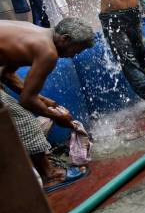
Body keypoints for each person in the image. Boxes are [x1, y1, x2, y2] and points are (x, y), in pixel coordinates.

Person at [0, 18, 94, 189]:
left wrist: (43, 101)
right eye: (76, 50)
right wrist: (58, 118)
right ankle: (49, 175)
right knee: (25, 120)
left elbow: (7, 75)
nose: (74, 55)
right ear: (65, 39)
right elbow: (27, 101)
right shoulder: (48, 51)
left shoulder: (36, 33)